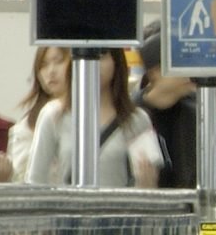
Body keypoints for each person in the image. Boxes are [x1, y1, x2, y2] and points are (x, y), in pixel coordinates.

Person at [27, 49, 162, 188]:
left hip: (118, 208)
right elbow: (35, 179)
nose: (93, 62)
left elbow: (150, 183)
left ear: (116, 62)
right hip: (68, 207)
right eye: (84, 54)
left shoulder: (138, 119)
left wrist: (146, 183)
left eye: (102, 55)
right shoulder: (53, 114)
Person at [135, 23, 201, 189]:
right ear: (156, 72)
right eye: (180, 64)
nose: (190, 71)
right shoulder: (133, 118)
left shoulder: (198, 115)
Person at [0, 46, 71, 183]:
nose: (51, 71)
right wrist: (2, 177)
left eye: (59, 61)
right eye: (43, 65)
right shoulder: (25, 128)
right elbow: (21, 181)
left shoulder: (90, 116)